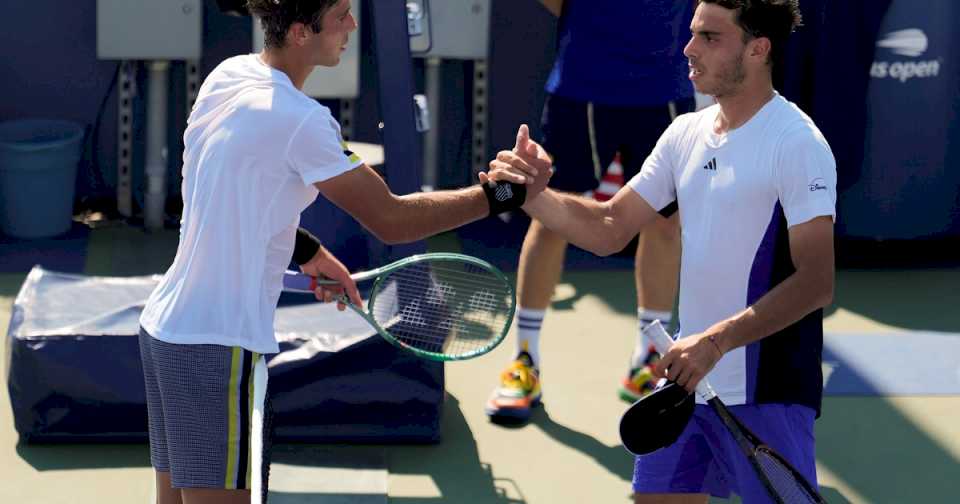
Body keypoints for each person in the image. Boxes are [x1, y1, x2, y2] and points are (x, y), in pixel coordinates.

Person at [136, 1, 550, 503]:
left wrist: (306, 250)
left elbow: (229, 200)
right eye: (339, 15)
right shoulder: (303, 121)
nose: (352, 26)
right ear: (299, 33)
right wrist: (503, 194)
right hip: (217, 349)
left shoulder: (229, 76)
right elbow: (393, 219)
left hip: (163, 332)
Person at [491, 0, 836, 501]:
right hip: (687, 383)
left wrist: (715, 342)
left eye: (710, 38)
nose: (688, 48)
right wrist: (527, 193)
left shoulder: (797, 143)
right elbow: (610, 226)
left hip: (768, 391)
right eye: (693, 33)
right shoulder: (685, 134)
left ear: (759, 49)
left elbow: (815, 281)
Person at [485, 0, 697, 423]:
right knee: (550, 216)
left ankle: (649, 359)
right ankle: (525, 360)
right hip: (580, 89)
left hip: (665, 91)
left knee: (665, 222)